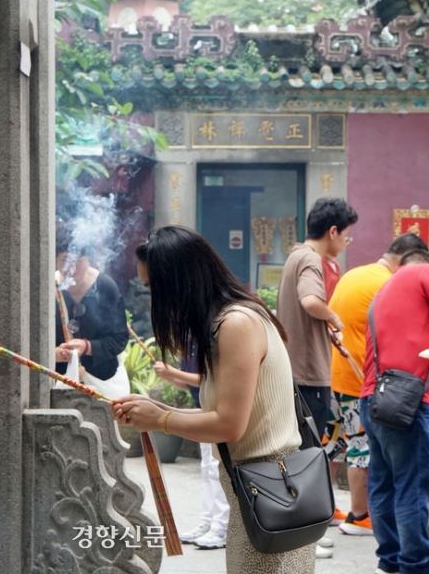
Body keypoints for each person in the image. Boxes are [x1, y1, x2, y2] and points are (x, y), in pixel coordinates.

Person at [112, 226, 315, 573]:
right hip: (254, 493)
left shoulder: (235, 323)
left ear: (179, 281)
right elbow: (226, 414)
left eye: (152, 288)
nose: (152, 300)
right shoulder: (227, 321)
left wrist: (159, 420)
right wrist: (158, 410)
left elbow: (229, 425)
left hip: (272, 494)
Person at [324, 233, 428, 535]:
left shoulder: (357, 273)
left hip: (334, 373)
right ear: (403, 260)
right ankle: (360, 517)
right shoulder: (387, 282)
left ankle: (323, 509)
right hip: (359, 378)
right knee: (361, 447)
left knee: (331, 446)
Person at [360, 249, 429, 574]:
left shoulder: (382, 293)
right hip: (407, 402)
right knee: (413, 483)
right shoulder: (425, 272)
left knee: (382, 483)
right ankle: (417, 565)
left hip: (373, 399)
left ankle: (390, 561)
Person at [277, 197, 358, 438]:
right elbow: (311, 301)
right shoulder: (311, 258)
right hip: (310, 377)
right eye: (346, 236)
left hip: (293, 374)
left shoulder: (295, 256)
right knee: (308, 457)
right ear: (333, 231)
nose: (346, 243)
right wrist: (335, 318)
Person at [153, 350, 230, 550]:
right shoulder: (189, 340)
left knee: (217, 471)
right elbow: (189, 384)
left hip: (214, 414)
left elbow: (206, 379)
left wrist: (172, 372)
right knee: (208, 471)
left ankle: (222, 527)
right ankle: (208, 522)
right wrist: (169, 376)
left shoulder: (209, 335)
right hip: (201, 411)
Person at [55, 228, 130, 399]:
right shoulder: (48, 287)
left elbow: (119, 339)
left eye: (78, 260)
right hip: (58, 380)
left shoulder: (105, 287)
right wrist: (53, 354)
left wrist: (87, 347)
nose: (71, 268)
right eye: (64, 260)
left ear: (89, 259)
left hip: (101, 378)